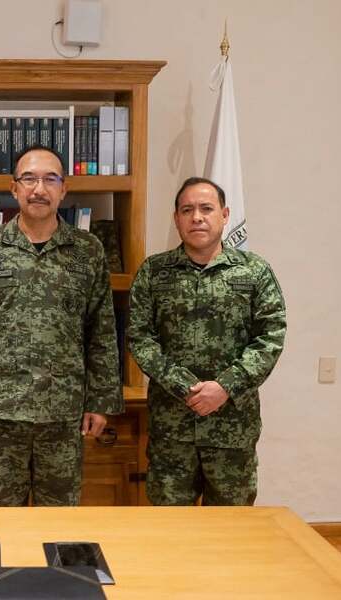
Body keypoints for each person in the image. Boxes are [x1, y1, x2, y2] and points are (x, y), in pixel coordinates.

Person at [0, 144, 122, 506]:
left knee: (59, 523)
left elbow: (101, 332)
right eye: (29, 179)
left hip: (63, 414)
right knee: (1, 519)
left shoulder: (88, 250)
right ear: (14, 188)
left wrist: (101, 401)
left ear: (64, 189)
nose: (39, 189)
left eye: (50, 179)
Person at [127, 176, 286, 506]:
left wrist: (225, 386)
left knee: (229, 528)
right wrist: (184, 386)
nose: (196, 217)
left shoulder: (254, 272)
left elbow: (270, 336)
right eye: (187, 210)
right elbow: (140, 337)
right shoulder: (154, 272)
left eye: (206, 208)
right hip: (172, 429)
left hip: (232, 429)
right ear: (177, 219)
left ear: (225, 215)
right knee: (170, 527)